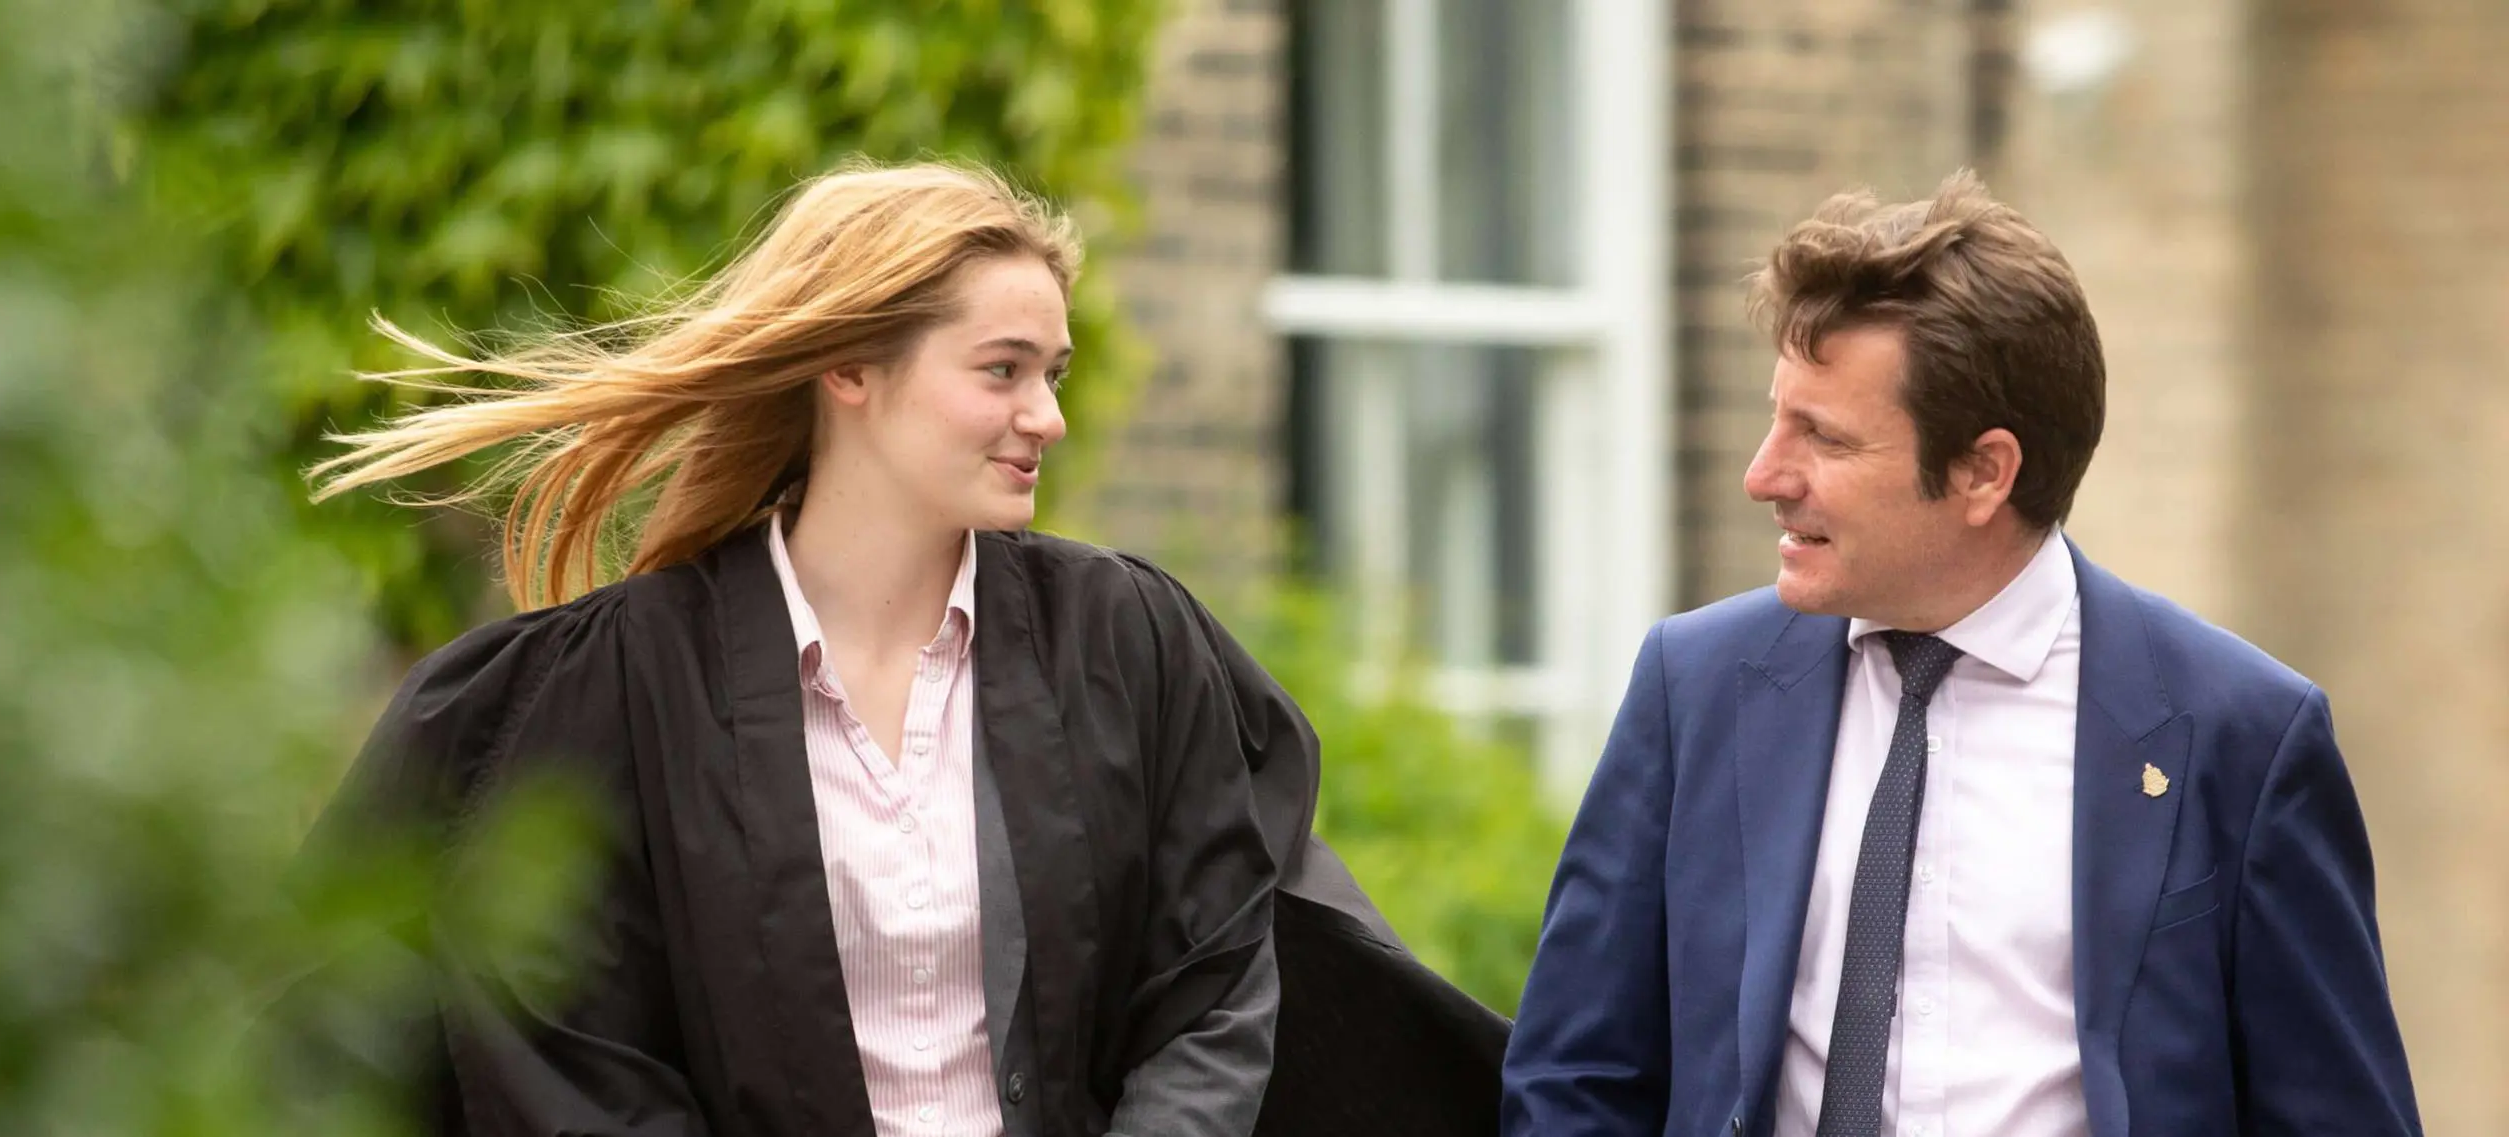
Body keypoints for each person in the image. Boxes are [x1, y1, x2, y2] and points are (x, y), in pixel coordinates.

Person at [302, 160, 1508, 1137]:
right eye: (1001, 371)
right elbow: (576, 1046)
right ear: (847, 370)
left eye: (1054, 372)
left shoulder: (1126, 644)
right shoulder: (623, 687)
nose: (1048, 416)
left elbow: (1214, 984)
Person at [1500, 173, 2421, 1137]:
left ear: (1984, 471)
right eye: (1777, 418)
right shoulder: (1692, 689)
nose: (1764, 474)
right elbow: (1576, 1071)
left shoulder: (2243, 736)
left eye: (1822, 436)